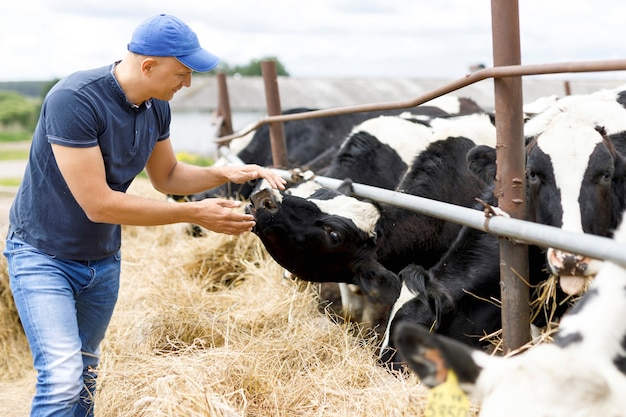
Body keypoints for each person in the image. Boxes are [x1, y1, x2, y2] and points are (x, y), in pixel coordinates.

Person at [3, 13, 286, 417]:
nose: (187, 83)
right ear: (148, 65)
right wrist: (195, 214)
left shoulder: (156, 107)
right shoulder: (75, 99)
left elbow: (167, 175)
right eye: (182, 73)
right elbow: (98, 203)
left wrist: (221, 172)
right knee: (63, 376)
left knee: (83, 372)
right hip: (43, 256)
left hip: (101, 259)